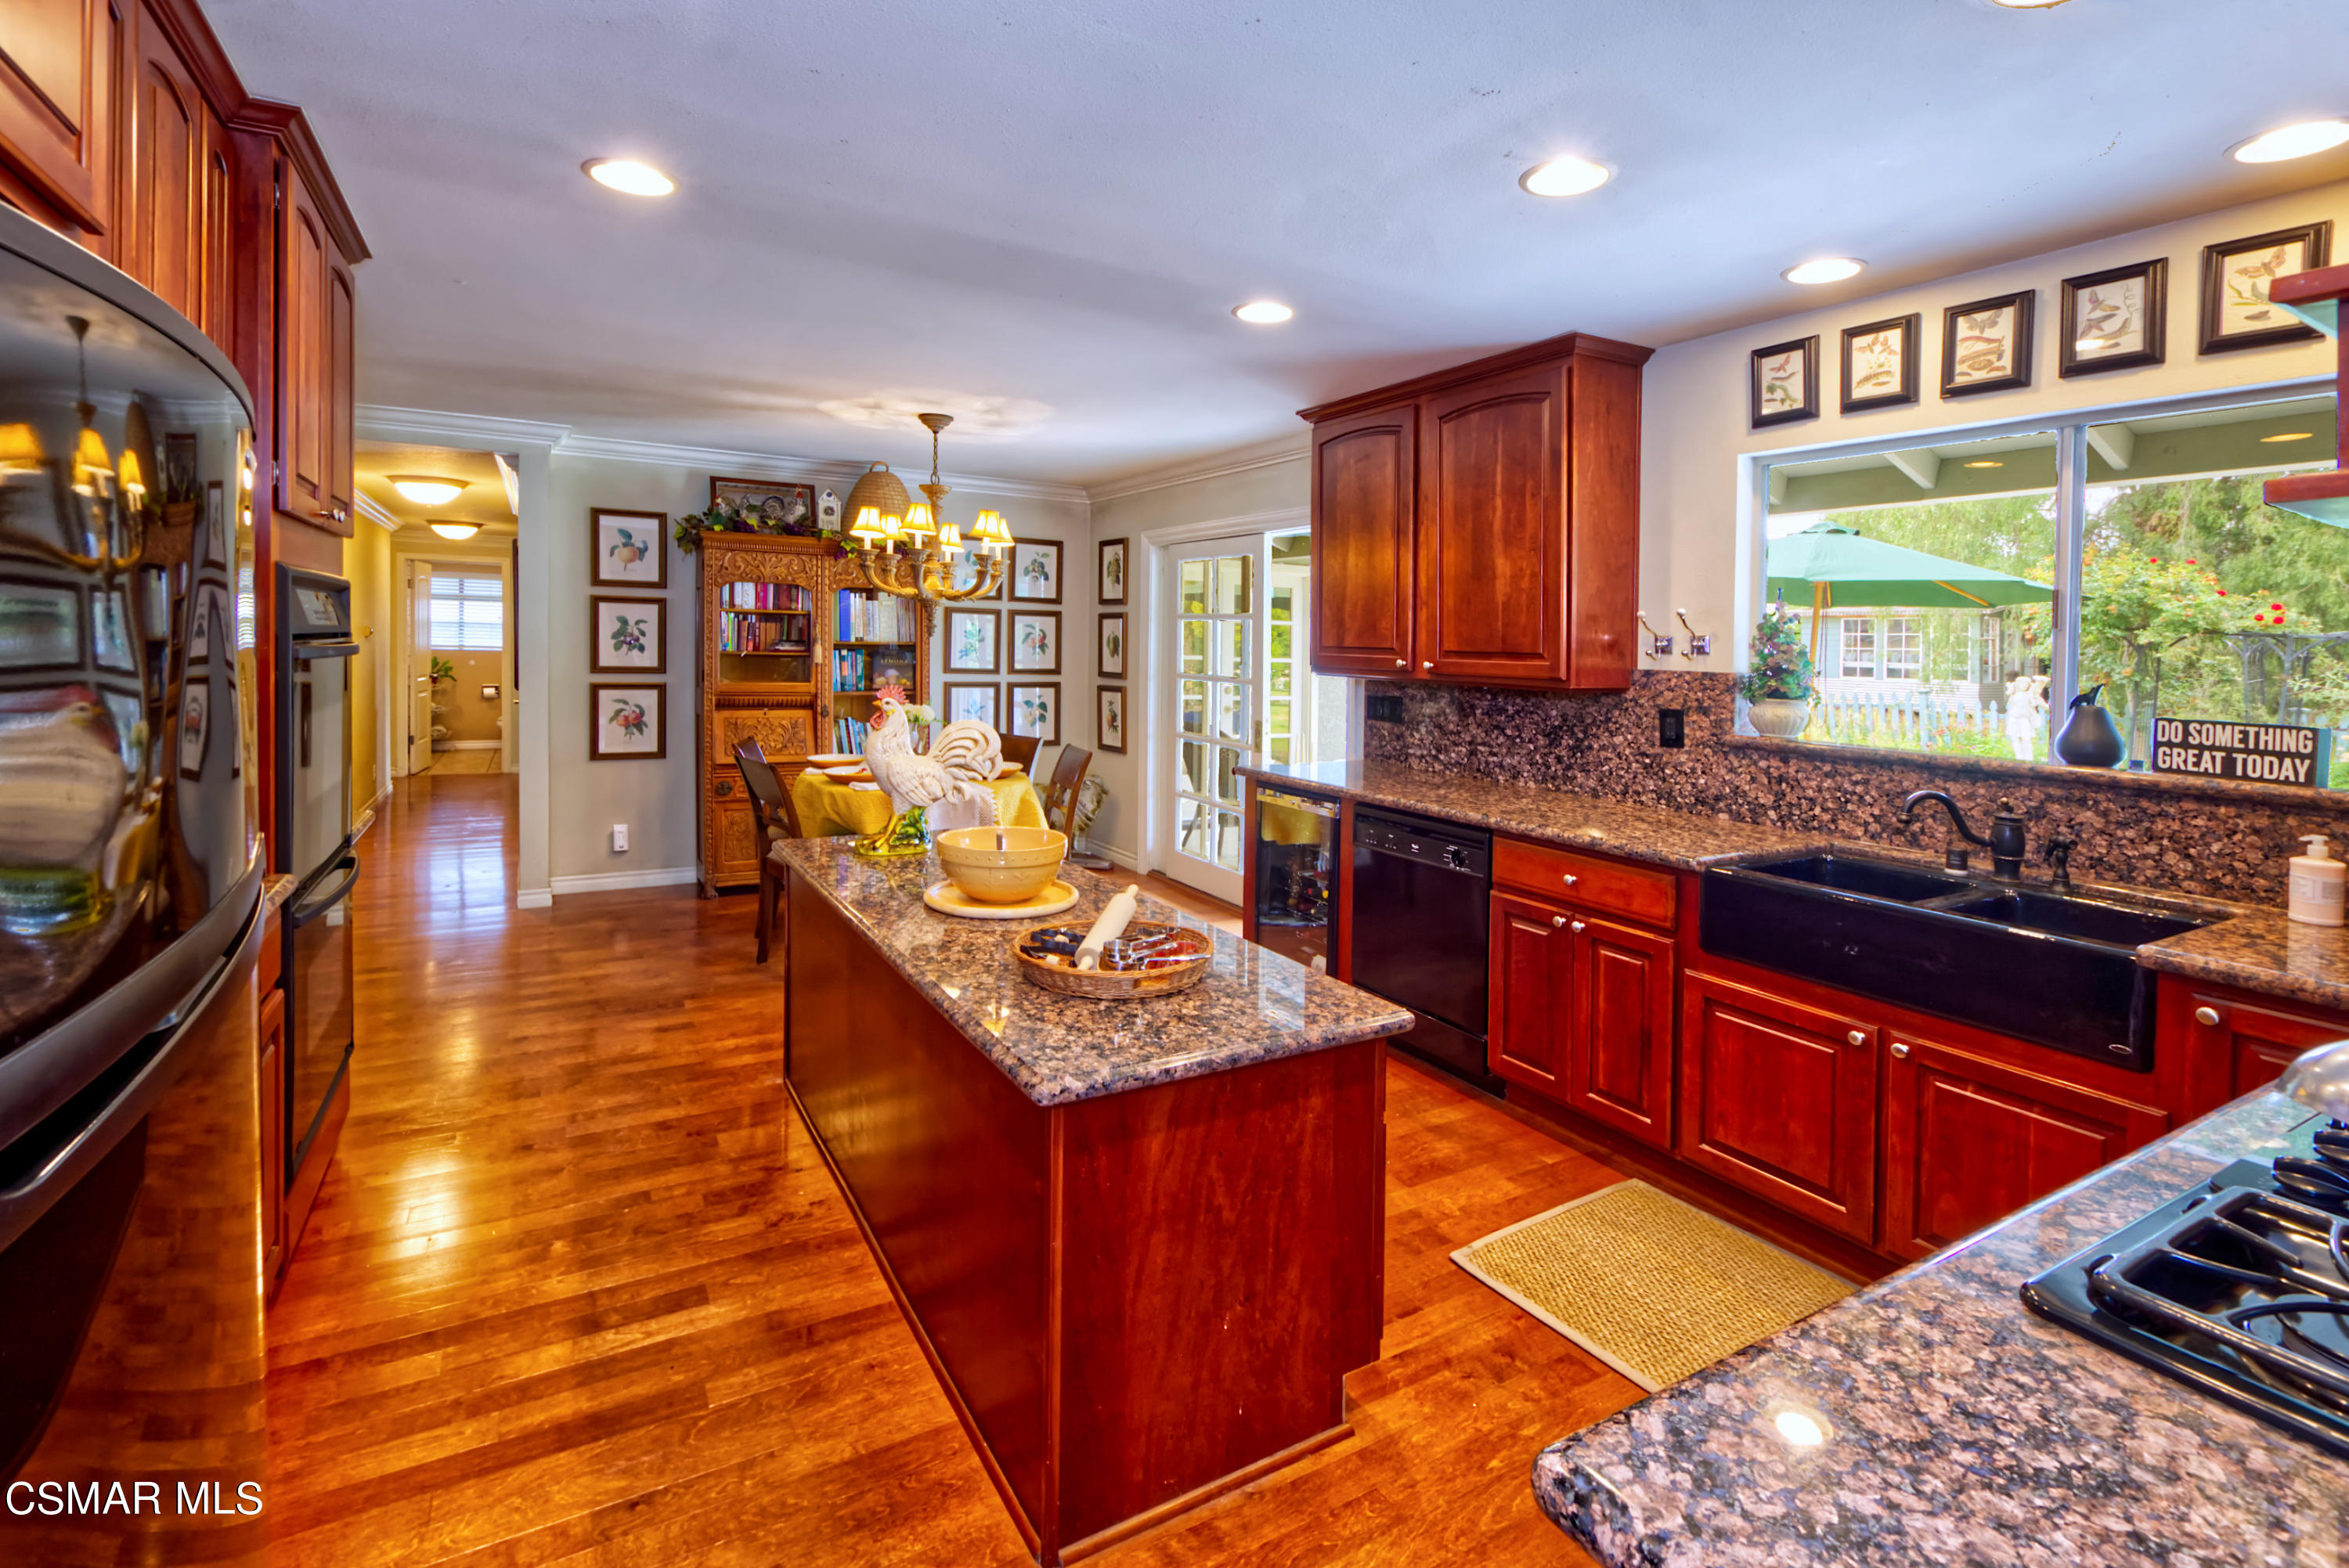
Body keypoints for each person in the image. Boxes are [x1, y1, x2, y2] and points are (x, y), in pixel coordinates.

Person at [2004, 672, 2048, 760]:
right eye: (2023, 684)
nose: (2024, 686)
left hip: (2024, 720)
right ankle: (2019, 757)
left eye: (2026, 684)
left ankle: (2028, 758)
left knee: (2026, 740)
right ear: (2018, 684)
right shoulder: (2014, 695)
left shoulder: (2029, 695)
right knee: (2015, 739)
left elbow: (2038, 692)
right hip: (2014, 719)